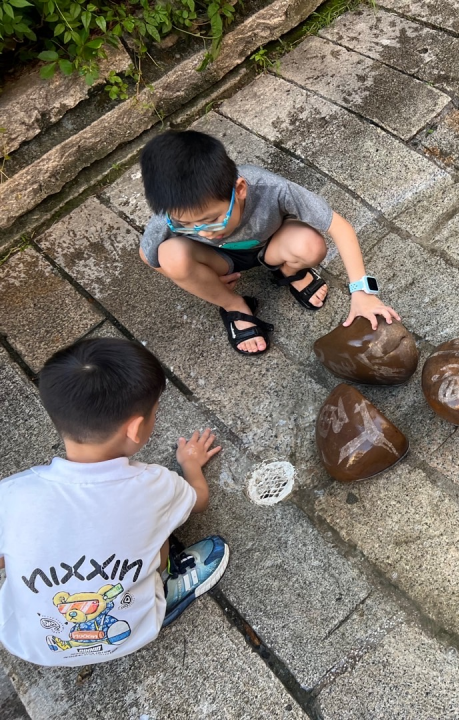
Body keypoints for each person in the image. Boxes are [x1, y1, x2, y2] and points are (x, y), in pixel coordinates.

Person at [0, 338, 227, 666]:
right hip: (131, 631)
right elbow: (199, 501)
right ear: (135, 428)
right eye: (154, 414)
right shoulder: (155, 484)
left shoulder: (9, 495)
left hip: (34, 644)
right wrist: (190, 464)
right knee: (160, 526)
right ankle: (169, 586)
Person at [137, 130, 400, 356]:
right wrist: (201, 280)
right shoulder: (170, 214)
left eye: (213, 219)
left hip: (273, 242)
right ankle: (233, 305)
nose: (203, 232)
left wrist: (362, 292)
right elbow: (148, 256)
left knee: (311, 245)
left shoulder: (271, 188)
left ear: (239, 190)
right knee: (171, 256)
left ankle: (289, 271)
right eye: (186, 225)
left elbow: (339, 227)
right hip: (219, 259)